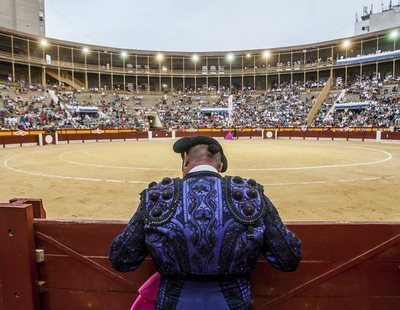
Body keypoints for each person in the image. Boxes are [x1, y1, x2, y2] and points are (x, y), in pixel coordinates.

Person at [109, 136, 302, 309]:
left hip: (173, 302)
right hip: (233, 303)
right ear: (219, 165)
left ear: (185, 160)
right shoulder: (249, 196)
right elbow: (288, 258)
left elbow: (122, 259)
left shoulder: (158, 196)